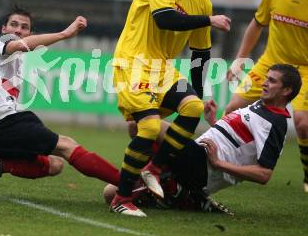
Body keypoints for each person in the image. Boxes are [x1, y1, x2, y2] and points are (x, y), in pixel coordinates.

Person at [110, 0, 231, 217]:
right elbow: (164, 20)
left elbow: (201, 54)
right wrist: (209, 20)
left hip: (162, 66)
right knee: (149, 128)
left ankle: (155, 168)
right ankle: (121, 199)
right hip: (133, 61)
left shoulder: (202, 1)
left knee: (191, 106)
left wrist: (201, 97)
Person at [0, 6, 120, 190]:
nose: (18, 30)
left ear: (30, 33)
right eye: (13, 25)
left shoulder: (0, 66)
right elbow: (19, 45)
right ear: (3, 29)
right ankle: (129, 185)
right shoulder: (0, 42)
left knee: (55, 165)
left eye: (24, 27)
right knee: (66, 145)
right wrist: (64, 34)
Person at [104, 64, 302, 214]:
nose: (265, 83)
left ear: (286, 91)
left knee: (142, 125)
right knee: (109, 192)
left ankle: (176, 188)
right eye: (266, 78)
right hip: (195, 158)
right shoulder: (260, 106)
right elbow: (234, 143)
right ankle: (180, 194)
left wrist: (219, 163)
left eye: (272, 81)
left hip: (202, 167)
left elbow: (264, 174)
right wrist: (213, 121)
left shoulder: (276, 122)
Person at [226, 0, 308, 192]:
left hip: (304, 70)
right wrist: (241, 58)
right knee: (231, 108)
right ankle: (215, 158)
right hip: (269, 64)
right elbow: (256, 24)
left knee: (303, 124)